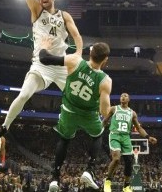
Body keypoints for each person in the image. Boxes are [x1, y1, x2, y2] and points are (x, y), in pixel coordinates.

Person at [0, 0, 83, 145]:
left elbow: (76, 35)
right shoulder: (36, 11)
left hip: (61, 65)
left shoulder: (64, 15)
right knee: (23, 95)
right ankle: (4, 128)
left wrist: (79, 53)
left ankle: (78, 127)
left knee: (77, 99)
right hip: (40, 65)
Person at [37, 37, 112, 192]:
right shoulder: (105, 80)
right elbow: (105, 112)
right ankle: (89, 169)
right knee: (98, 134)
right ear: (105, 60)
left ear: (90, 52)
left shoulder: (75, 61)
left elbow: (44, 58)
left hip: (68, 111)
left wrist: (43, 46)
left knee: (64, 139)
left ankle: (55, 178)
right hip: (88, 115)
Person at [102, 92, 158, 192]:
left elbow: (139, 128)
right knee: (116, 159)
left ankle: (126, 186)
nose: (123, 97)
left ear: (129, 100)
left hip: (126, 137)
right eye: (121, 96)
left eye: (125, 96)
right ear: (120, 99)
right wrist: (98, 130)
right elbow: (105, 121)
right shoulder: (114, 109)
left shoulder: (132, 113)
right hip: (115, 135)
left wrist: (148, 137)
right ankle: (108, 181)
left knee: (129, 162)